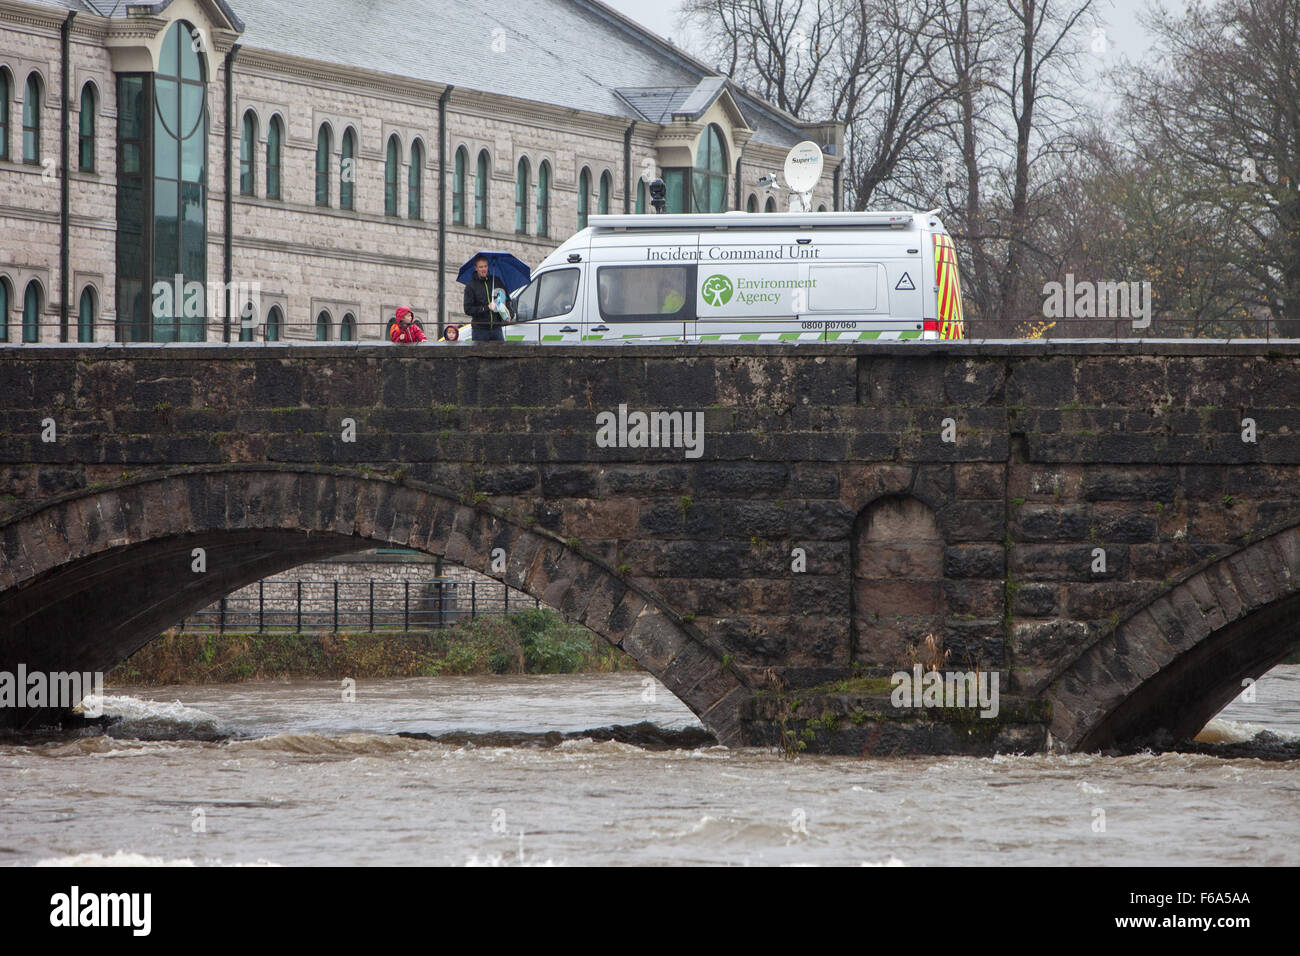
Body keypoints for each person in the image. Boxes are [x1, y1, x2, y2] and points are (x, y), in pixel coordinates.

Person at [463, 255, 512, 342]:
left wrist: (510, 314)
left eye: (485, 266)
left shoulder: (496, 281)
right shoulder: (470, 286)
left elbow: (506, 299)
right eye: (481, 267)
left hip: (496, 328)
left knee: (500, 355)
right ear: (476, 268)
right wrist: (486, 308)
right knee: (480, 355)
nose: (484, 269)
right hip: (480, 330)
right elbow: (468, 309)